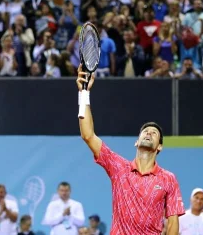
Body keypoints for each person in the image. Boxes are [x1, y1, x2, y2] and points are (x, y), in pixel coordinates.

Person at [76, 64, 185, 234]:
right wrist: (84, 93)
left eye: (154, 133)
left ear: (160, 147)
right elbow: (88, 135)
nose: (149, 133)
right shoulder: (119, 167)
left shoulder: (168, 179)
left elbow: (172, 224)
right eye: (145, 131)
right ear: (136, 142)